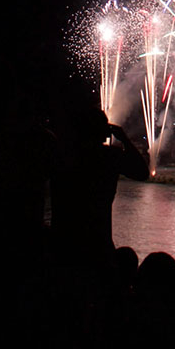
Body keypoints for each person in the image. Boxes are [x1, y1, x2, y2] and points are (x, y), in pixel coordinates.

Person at [51, 108, 148, 267]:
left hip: (62, 244)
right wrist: (125, 140)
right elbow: (142, 172)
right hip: (98, 244)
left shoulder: (63, 157)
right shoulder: (109, 156)